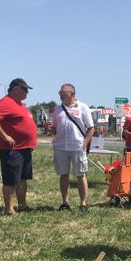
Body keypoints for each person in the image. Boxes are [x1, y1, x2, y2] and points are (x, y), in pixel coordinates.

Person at [0, 78, 38, 216]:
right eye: (25, 89)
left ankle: (22, 205)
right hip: (12, 149)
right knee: (10, 180)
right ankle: (9, 209)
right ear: (16, 89)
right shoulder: (6, 102)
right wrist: (4, 136)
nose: (27, 92)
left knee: (22, 178)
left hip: (24, 148)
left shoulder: (19, 104)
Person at [45, 84, 94, 212]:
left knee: (80, 175)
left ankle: (83, 203)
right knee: (63, 175)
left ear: (71, 93)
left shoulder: (82, 107)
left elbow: (91, 128)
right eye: (60, 92)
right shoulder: (58, 109)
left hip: (77, 146)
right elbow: (55, 130)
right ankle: (65, 202)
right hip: (61, 146)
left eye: (63, 92)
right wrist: (48, 128)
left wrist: (85, 143)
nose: (60, 94)